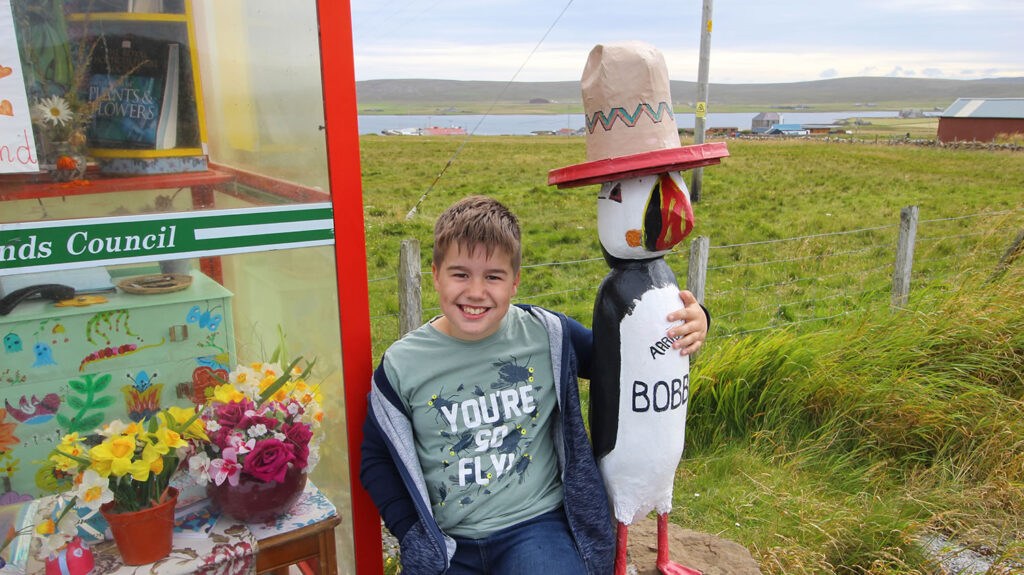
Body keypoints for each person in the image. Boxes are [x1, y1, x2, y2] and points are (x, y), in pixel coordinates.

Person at [359, 195, 709, 575]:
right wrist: (412, 532)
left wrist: (695, 320)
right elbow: (375, 460)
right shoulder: (402, 364)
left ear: (515, 282)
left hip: (536, 529)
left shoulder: (548, 335)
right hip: (449, 542)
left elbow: (623, 361)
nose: (476, 292)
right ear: (435, 274)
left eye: (493, 276)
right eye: (460, 274)